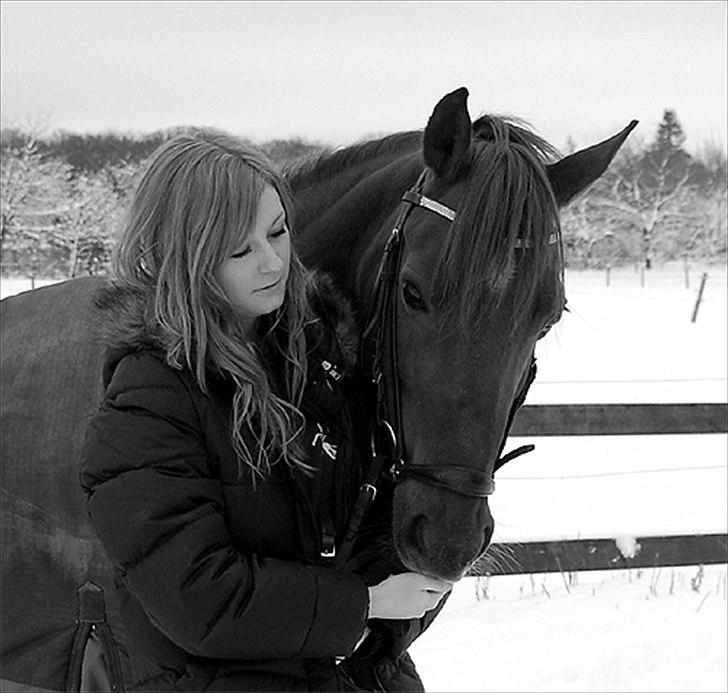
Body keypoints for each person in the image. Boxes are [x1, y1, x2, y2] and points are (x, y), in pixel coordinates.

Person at [79, 130, 451, 692]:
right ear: (188, 258)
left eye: (277, 232)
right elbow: (200, 598)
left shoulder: (320, 357)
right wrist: (367, 603)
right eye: (240, 249)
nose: (273, 262)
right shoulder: (149, 402)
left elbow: (357, 533)